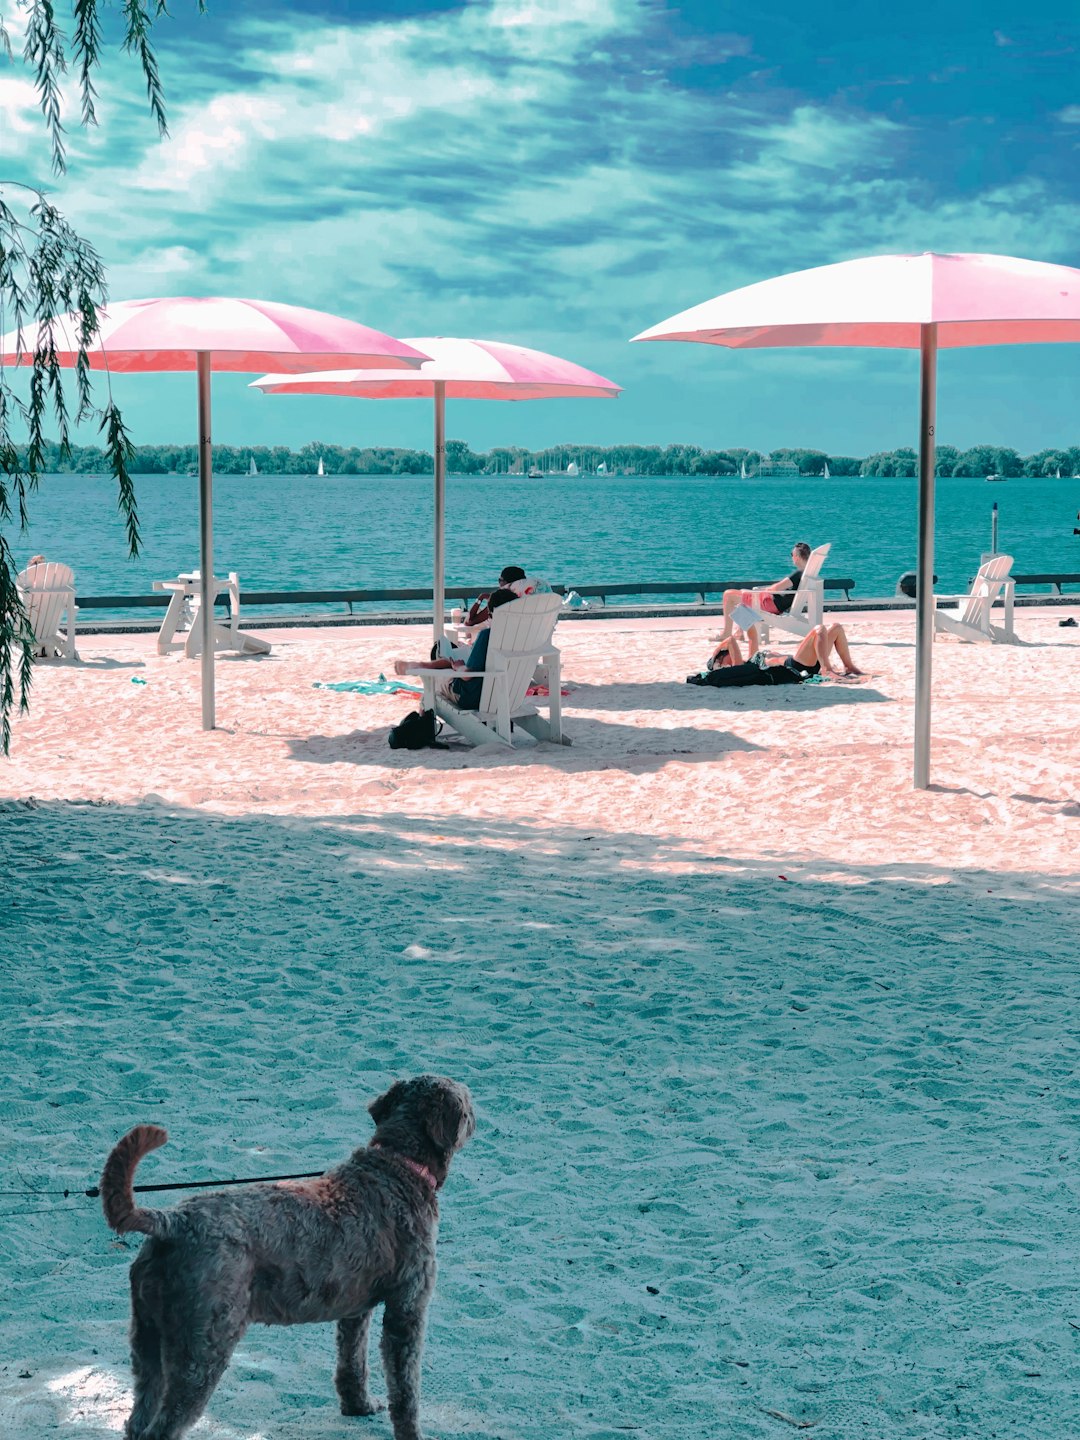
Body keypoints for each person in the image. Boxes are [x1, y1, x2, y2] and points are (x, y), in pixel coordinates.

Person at [397, 587, 518, 708]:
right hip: (509, 696)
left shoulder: (488, 636)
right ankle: (422, 665)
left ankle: (422, 714)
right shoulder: (522, 637)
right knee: (455, 659)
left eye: (489, 616)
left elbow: (468, 675)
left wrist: (459, 667)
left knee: (432, 683)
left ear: (492, 614)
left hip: (470, 697)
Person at [687, 622, 863, 688]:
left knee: (836, 628)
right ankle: (826, 669)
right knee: (819, 630)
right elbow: (731, 642)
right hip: (796, 665)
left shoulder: (751, 658)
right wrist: (718, 651)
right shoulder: (741, 667)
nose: (729, 655)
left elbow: (753, 634)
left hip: (803, 662)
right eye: (725, 656)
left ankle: (849, 666)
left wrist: (745, 614)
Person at [714, 542, 812, 643]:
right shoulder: (806, 574)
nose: (792, 557)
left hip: (770, 603)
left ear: (797, 557)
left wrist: (767, 589)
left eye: (792, 555)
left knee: (728, 595)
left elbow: (776, 588)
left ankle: (727, 633)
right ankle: (739, 632)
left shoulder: (799, 573)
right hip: (775, 603)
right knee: (742, 596)